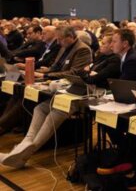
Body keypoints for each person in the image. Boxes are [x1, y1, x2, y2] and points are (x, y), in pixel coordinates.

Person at [0, 26, 92, 168]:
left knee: (53, 114)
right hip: (60, 91)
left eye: (61, 39)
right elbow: (56, 67)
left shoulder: (82, 49)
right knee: (39, 109)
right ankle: (22, 147)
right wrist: (39, 72)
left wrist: (45, 75)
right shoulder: (64, 46)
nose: (59, 42)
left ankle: (26, 153)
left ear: (71, 37)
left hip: (76, 95)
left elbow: (74, 73)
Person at [101, 28, 136, 188]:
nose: (111, 44)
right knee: (107, 120)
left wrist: (111, 95)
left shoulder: (132, 59)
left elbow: (124, 86)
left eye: (114, 41)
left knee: (112, 121)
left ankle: (131, 160)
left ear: (125, 44)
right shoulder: (128, 56)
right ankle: (127, 155)